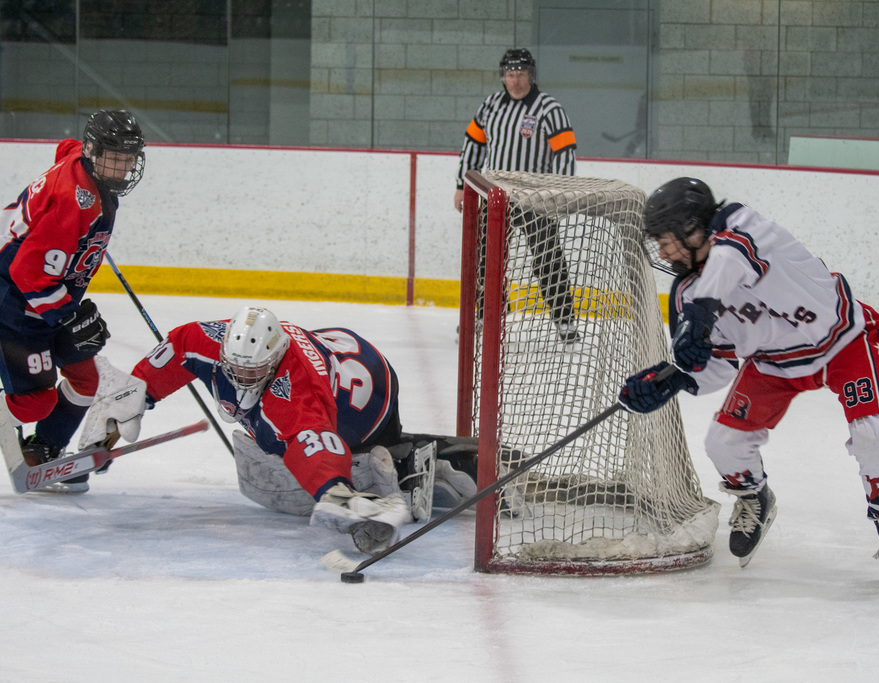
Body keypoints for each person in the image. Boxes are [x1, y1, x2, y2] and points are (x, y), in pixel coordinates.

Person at [617, 178, 879, 584]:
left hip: (845, 342)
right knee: (722, 442)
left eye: (666, 239)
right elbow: (719, 366)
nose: (662, 251)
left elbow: (732, 258)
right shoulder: (687, 294)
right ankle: (754, 497)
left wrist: (701, 315)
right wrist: (673, 380)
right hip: (774, 364)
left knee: (875, 434)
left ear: (693, 227)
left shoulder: (745, 227)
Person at [84, 306, 478, 555]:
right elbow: (179, 348)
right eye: (233, 368)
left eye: (252, 372)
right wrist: (137, 394)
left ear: (273, 362)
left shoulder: (295, 397)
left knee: (292, 482)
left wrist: (337, 495)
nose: (240, 378)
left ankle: (400, 465)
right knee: (266, 451)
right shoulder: (209, 340)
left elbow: (314, 445)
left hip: (370, 397)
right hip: (343, 348)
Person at [0, 110, 146, 493]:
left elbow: (64, 150)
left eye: (130, 158)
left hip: (43, 299)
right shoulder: (73, 202)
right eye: (115, 157)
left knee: (87, 379)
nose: (124, 167)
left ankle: (43, 449)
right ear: (94, 151)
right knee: (35, 403)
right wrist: (68, 314)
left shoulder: (83, 166)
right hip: (16, 303)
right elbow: (28, 273)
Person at [454, 48, 580, 342]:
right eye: (510, 74)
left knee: (548, 259)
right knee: (485, 260)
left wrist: (557, 194)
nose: (515, 80)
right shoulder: (491, 106)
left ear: (531, 75)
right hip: (495, 197)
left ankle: (565, 321)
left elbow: (565, 152)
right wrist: (462, 184)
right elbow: (473, 144)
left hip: (535, 199)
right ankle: (486, 314)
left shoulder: (549, 108)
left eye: (520, 74)